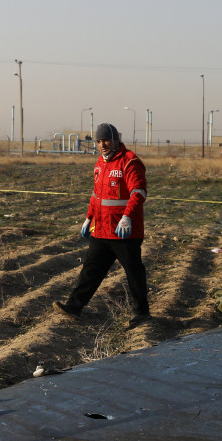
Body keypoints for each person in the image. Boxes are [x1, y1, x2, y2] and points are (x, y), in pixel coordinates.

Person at [54, 122, 150, 329]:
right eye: (98, 141)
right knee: (91, 269)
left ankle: (142, 313)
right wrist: (89, 218)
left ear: (116, 139)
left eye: (106, 140)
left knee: (133, 272)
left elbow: (138, 193)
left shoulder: (130, 161)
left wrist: (128, 217)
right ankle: (74, 307)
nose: (102, 144)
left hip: (125, 232)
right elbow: (97, 195)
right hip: (102, 229)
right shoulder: (100, 163)